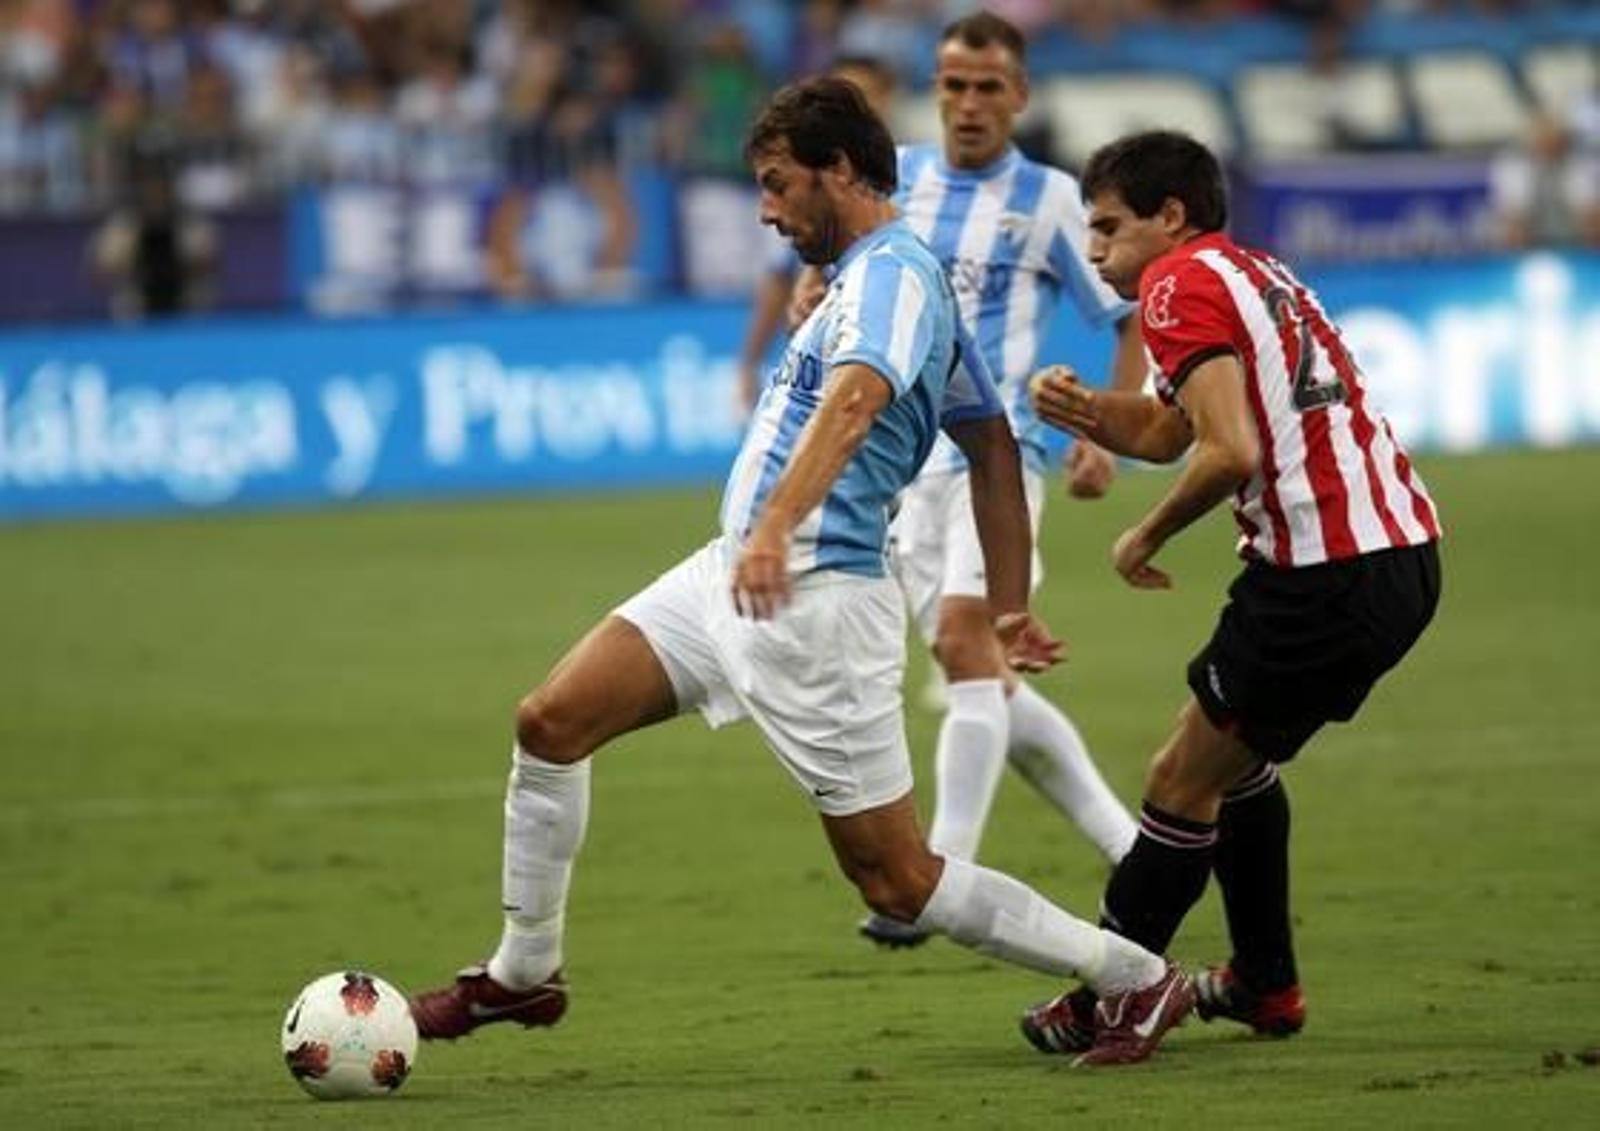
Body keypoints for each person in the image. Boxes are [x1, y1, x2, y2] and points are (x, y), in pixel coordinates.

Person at [409, 77, 1193, 1070]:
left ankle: (1133, 977)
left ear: (837, 170)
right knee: (550, 722)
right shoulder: (879, 278)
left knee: (898, 881)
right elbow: (993, 446)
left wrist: (780, 523)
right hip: (727, 579)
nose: (768, 211)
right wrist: (1007, 605)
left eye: (778, 186)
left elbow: (859, 402)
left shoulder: (893, 282)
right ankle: (524, 975)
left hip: (817, 601)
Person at [1019, 129, 1442, 1059]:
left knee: (1180, 776)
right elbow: (1174, 431)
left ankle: (1111, 996)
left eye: (1109, 227)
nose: (1095, 251)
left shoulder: (1175, 285)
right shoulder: (1251, 273)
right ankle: (1264, 981)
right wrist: (1089, 408)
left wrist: (1146, 533)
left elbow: (1231, 450)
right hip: (1397, 555)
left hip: (1323, 573)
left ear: (1171, 217)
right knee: (1229, 762)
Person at [854, 11, 1144, 949]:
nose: (969, 104)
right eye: (953, 85)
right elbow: (849, 281)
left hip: (998, 460)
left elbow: (1127, 311)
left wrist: (1110, 424)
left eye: (988, 88)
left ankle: (940, 875)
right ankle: (1130, 844)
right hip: (904, 473)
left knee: (967, 643)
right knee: (979, 675)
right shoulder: (895, 182)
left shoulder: (1054, 199)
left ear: (1019, 96)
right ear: (934, 89)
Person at [735, 54, 898, 412]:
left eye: (866, 98)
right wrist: (750, 361)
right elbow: (780, 281)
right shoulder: (803, 193)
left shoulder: (917, 185)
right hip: (824, 366)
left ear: (888, 99)